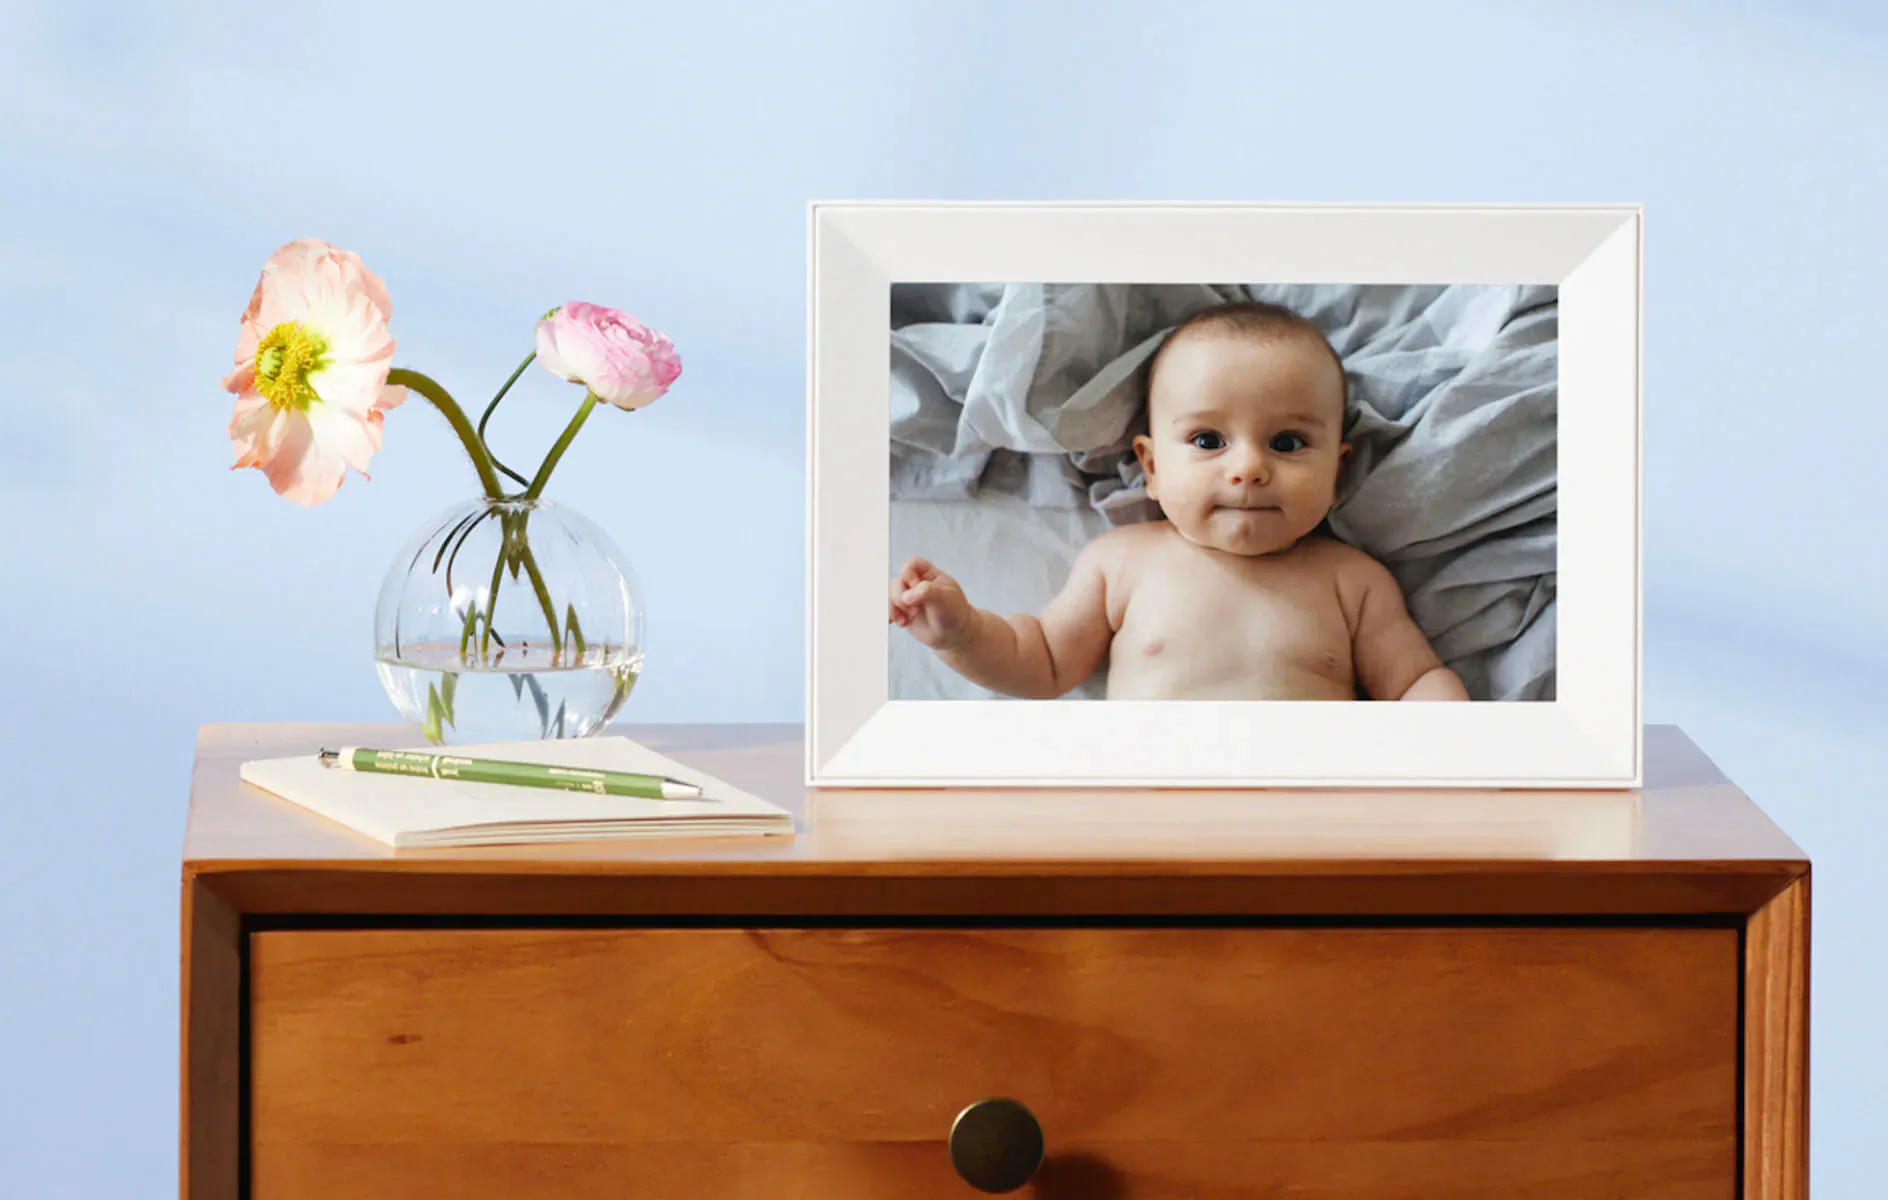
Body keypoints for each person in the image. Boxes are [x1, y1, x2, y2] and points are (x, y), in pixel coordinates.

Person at [889, 300, 1470, 701]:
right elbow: (1039, 658)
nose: (1248, 469)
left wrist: (1457, 726)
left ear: (1337, 469)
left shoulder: (1353, 581)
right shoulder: (1119, 563)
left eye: (1287, 442)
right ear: (1151, 467)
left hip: (1308, 821)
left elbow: (1413, 682)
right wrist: (961, 633)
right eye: (1208, 441)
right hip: (1151, 816)